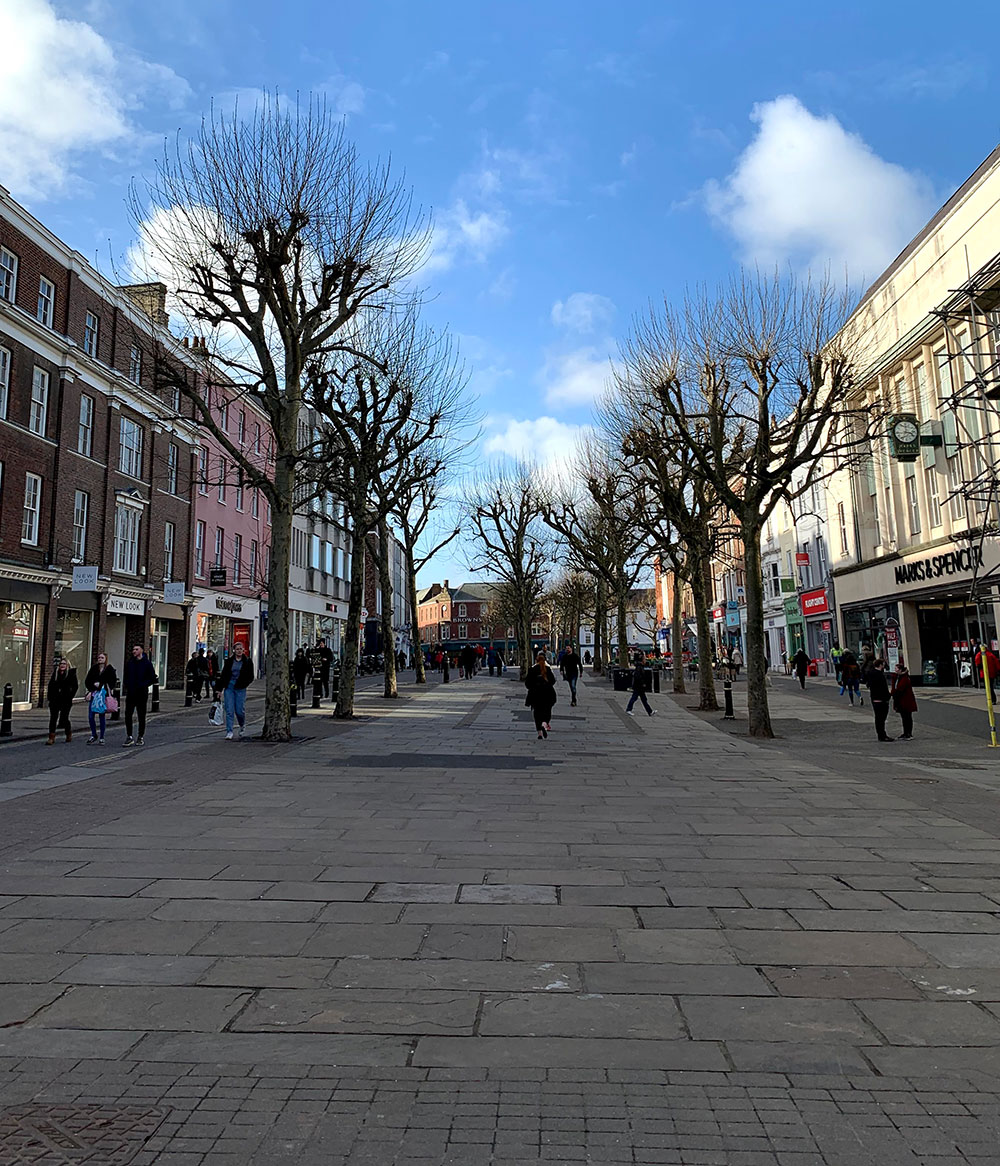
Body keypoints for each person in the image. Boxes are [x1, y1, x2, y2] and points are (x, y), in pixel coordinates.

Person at [215, 641, 255, 740]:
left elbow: (251, 676)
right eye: (237, 649)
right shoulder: (229, 661)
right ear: (234, 650)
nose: (239, 651)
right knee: (229, 710)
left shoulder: (247, 661)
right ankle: (229, 731)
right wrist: (219, 690)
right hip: (229, 687)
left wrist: (244, 684)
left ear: (244, 650)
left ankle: (242, 725)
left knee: (239, 710)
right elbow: (223, 675)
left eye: (241, 649)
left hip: (240, 688)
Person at [122, 644, 156, 746]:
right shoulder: (130, 663)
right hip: (131, 693)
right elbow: (126, 676)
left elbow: (153, 678)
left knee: (141, 715)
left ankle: (140, 736)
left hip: (142, 693)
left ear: (141, 650)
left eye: (136, 649)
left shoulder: (147, 663)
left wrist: (143, 684)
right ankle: (129, 736)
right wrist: (128, 685)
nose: (134, 651)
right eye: (133, 649)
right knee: (128, 715)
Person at [84, 650, 116, 745]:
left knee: (102, 716)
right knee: (91, 716)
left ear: (105, 659)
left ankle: (102, 737)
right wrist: (92, 688)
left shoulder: (109, 669)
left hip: (103, 695)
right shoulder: (94, 669)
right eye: (99, 658)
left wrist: (101, 684)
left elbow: (112, 681)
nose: (100, 659)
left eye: (102, 658)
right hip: (94, 694)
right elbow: (87, 681)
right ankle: (94, 734)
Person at [524, 650, 557, 739]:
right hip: (548, 694)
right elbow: (553, 681)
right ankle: (544, 724)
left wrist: (532, 687)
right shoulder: (548, 669)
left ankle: (539, 733)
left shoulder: (532, 670)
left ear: (536, 660)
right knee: (547, 711)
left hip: (535, 695)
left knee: (537, 713)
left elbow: (527, 683)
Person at [46, 658, 78, 745]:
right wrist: (50, 698)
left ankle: (68, 733)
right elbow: (50, 686)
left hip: (66, 700)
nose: (62, 665)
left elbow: (75, 687)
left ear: (67, 665)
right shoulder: (56, 674)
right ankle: (51, 737)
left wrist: (70, 696)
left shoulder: (71, 674)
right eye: (61, 664)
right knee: (53, 718)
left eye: (64, 664)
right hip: (55, 700)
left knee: (64, 718)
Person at [867, 658, 894, 742]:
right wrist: (888, 695)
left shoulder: (871, 673)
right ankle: (882, 735)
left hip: (875, 698)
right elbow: (882, 687)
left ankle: (881, 734)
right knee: (881, 718)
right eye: (883, 664)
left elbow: (869, 684)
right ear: (880, 665)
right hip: (880, 699)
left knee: (879, 718)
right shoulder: (878, 674)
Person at [892, 661, 917, 740]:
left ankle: (908, 733)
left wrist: (894, 693)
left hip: (905, 700)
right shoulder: (898, 677)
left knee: (907, 717)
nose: (895, 670)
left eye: (896, 668)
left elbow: (900, 689)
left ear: (900, 669)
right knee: (904, 717)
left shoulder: (905, 678)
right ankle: (905, 732)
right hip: (901, 700)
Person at [626, 651, 656, 717]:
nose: (645, 660)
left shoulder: (639, 666)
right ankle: (629, 709)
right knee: (635, 698)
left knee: (643, 699)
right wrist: (642, 683)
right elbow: (638, 677)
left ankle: (650, 711)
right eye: (644, 659)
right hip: (639, 686)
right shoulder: (640, 667)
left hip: (639, 686)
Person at [562, 642, 582, 707]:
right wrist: (561, 670)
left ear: (571, 649)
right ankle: (574, 698)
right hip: (568, 674)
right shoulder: (564, 656)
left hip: (574, 673)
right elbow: (562, 664)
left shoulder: (575, 656)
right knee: (571, 687)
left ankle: (574, 701)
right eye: (566, 648)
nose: (567, 649)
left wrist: (581, 672)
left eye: (568, 648)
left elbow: (579, 664)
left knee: (573, 686)